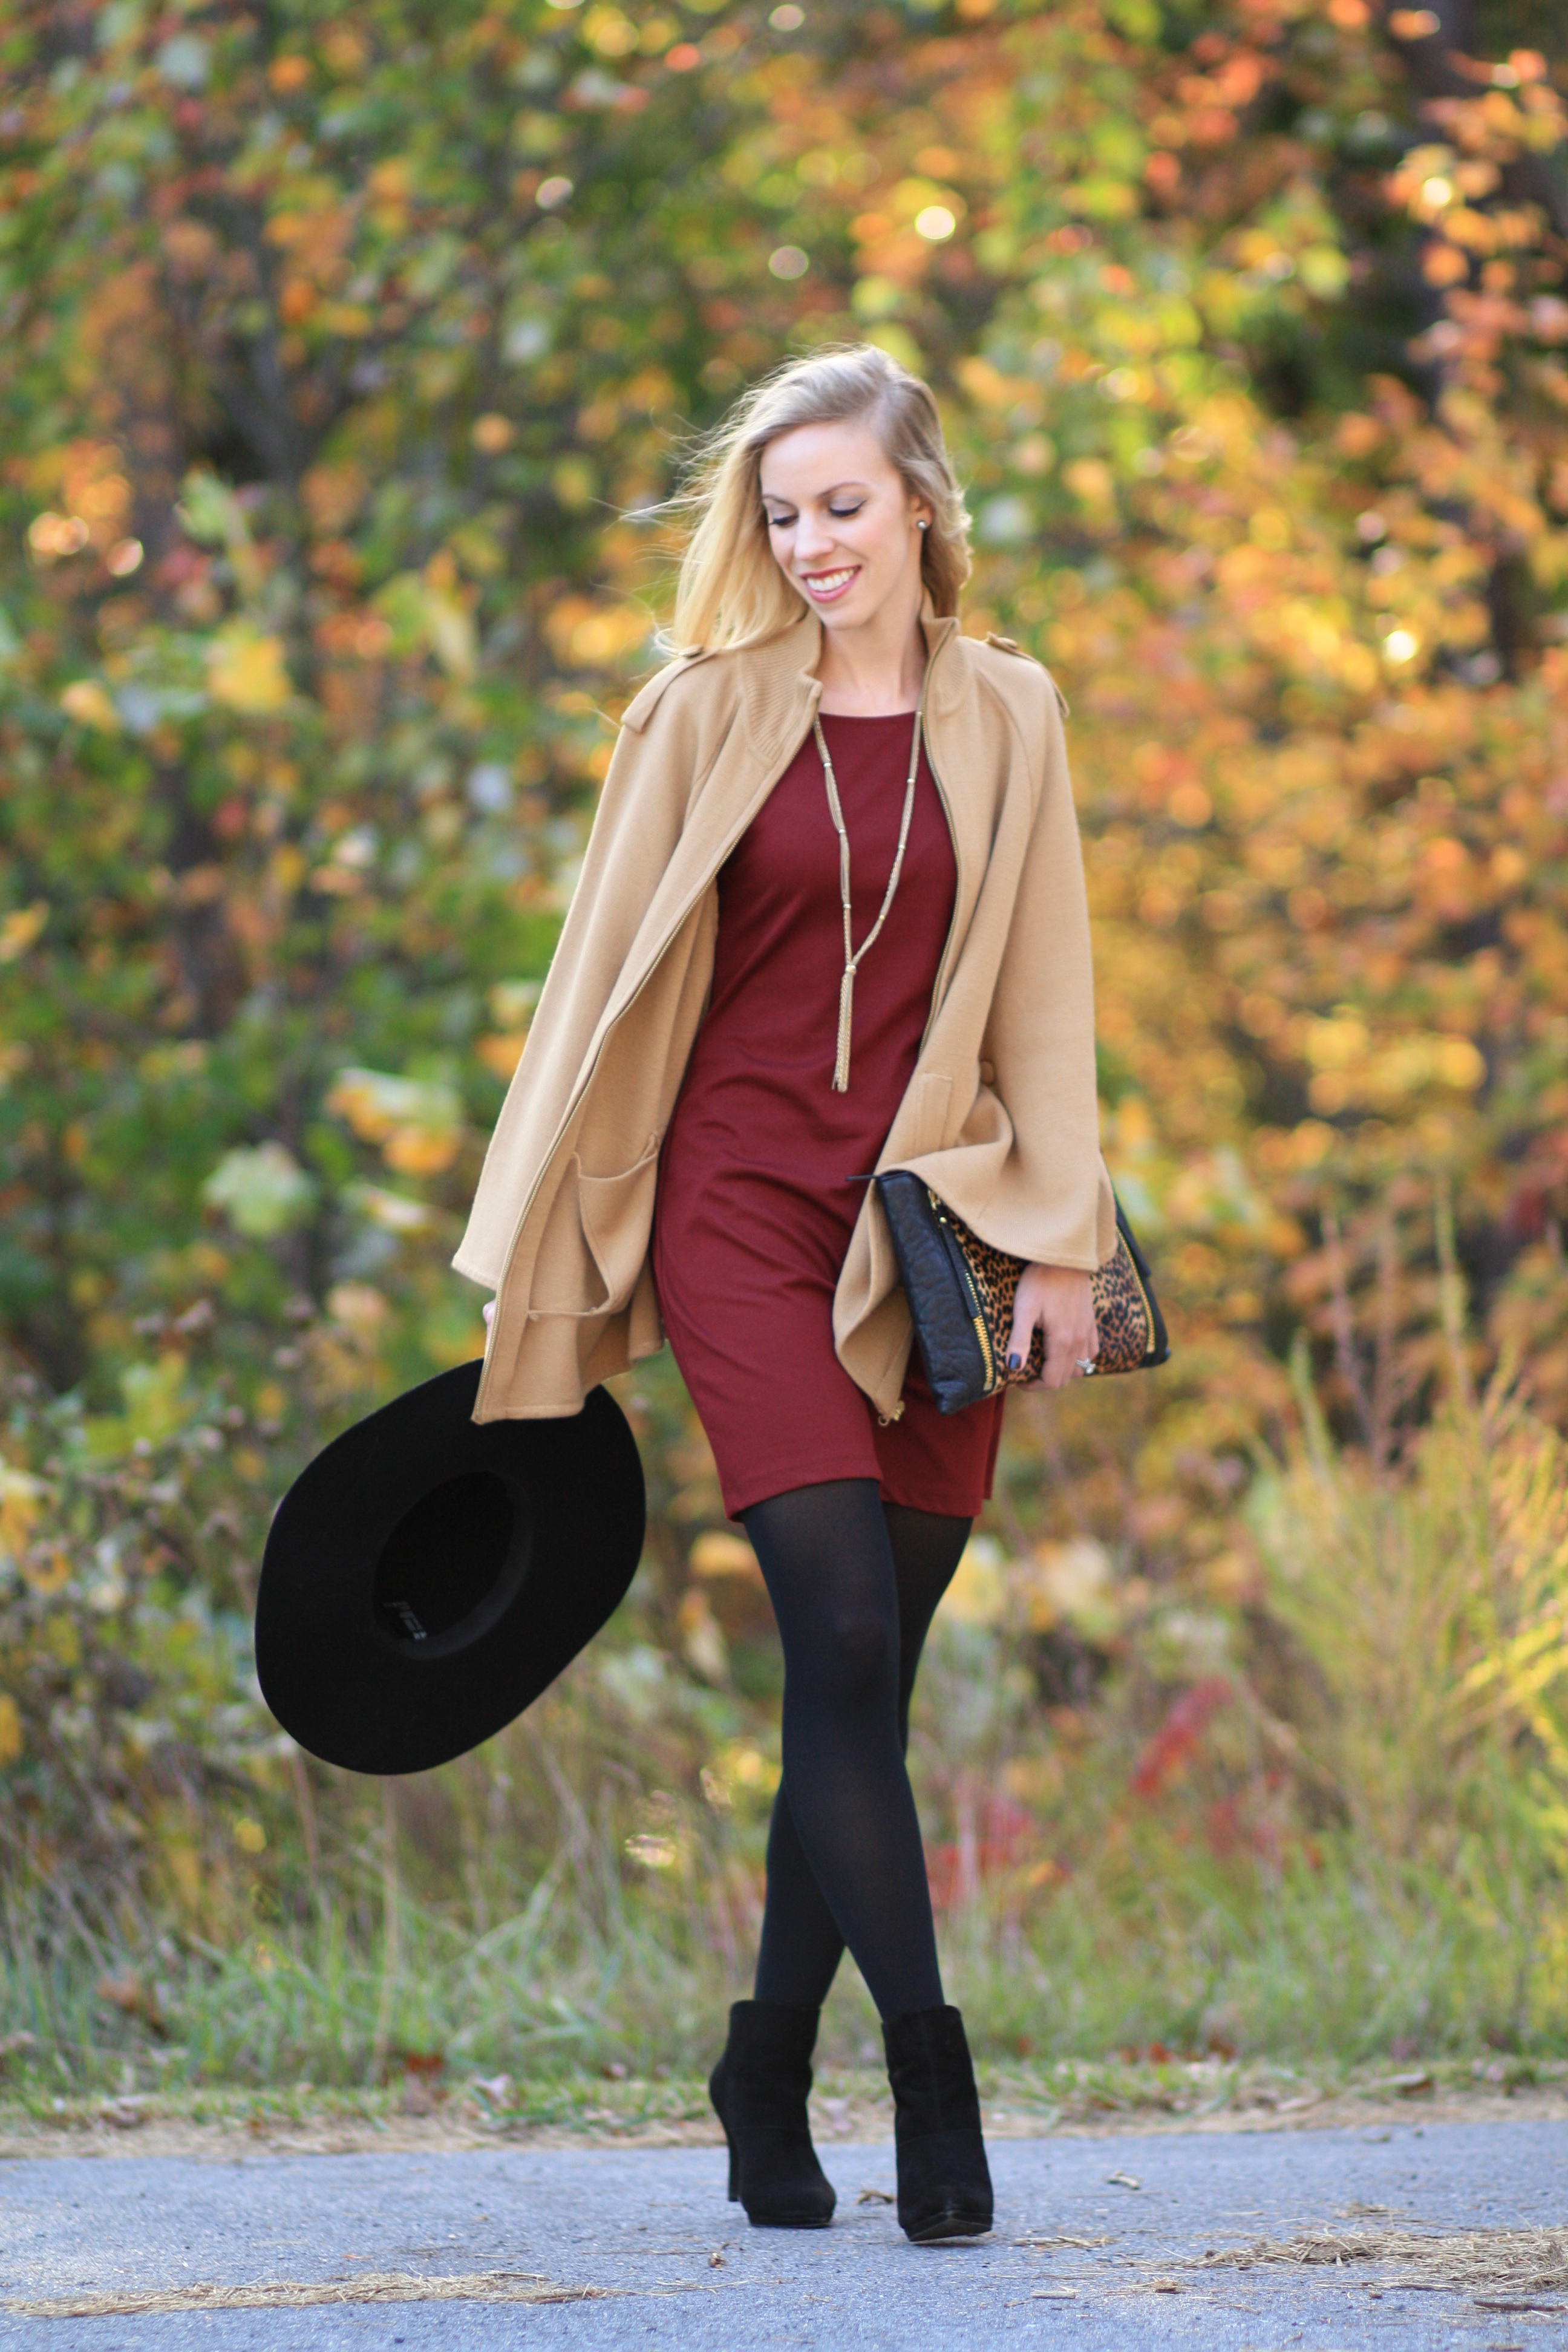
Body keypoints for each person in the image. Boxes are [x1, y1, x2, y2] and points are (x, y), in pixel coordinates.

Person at [457, 345, 1114, 2244]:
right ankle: (935, 2080)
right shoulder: (699, 715)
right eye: (781, 515)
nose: (811, 543)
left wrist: (1061, 1236)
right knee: (831, 1636)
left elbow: (1047, 994)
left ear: (920, 502)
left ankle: (760, 2064)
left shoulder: (1013, 712)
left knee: (869, 1676)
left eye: (842, 505)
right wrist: (543, 1248)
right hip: (737, 1216)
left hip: (930, 1230)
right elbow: (593, 986)